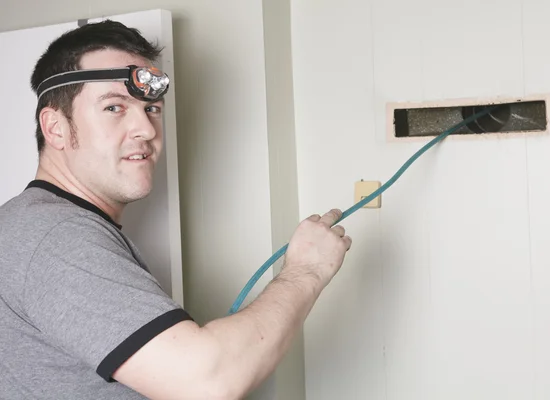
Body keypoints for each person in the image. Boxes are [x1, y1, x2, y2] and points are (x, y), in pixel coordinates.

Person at [0, 20, 352, 399]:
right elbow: (206, 382)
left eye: (151, 108)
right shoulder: (56, 237)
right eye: (115, 107)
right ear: (55, 128)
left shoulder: (40, 225)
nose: (146, 129)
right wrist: (307, 271)